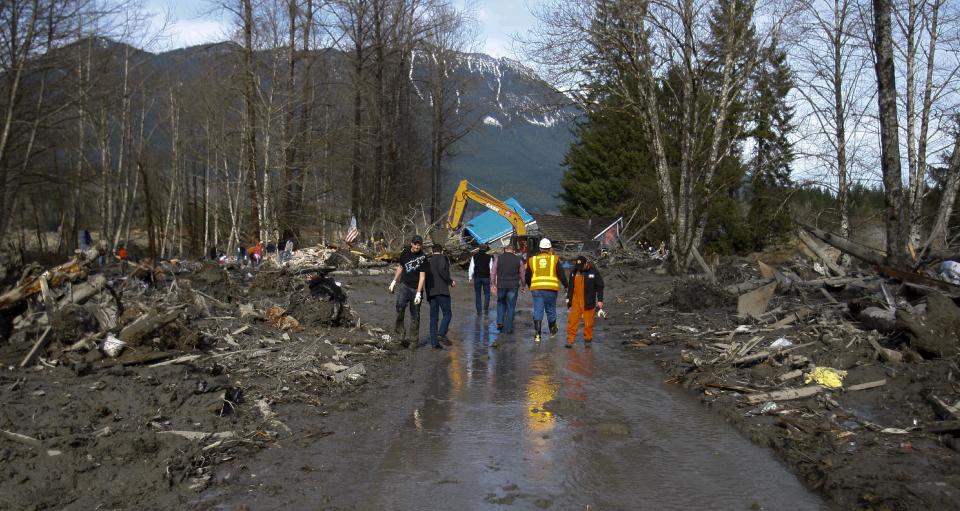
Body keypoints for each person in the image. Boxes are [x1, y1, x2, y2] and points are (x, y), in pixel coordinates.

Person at [524, 238, 567, 342]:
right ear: (549, 248)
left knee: (538, 310)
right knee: (550, 310)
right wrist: (566, 285)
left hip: (536, 290)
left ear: (540, 248)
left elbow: (527, 276)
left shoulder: (532, 260)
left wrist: (530, 286)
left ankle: (537, 335)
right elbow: (561, 274)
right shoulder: (554, 259)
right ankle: (552, 331)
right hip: (551, 289)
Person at [389, 234, 428, 348]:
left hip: (416, 288)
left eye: (419, 244)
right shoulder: (405, 253)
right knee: (399, 307)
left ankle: (413, 341)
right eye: (415, 244)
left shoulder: (423, 258)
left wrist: (419, 293)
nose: (417, 246)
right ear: (411, 243)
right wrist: (394, 281)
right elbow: (400, 267)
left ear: (421, 245)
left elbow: (422, 277)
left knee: (415, 315)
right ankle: (400, 333)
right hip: (404, 286)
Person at [565, 255, 604, 348]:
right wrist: (568, 299)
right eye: (578, 267)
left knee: (588, 323)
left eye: (581, 266)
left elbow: (600, 286)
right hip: (576, 301)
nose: (580, 268)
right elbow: (570, 287)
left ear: (586, 264)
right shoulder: (574, 272)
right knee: (572, 321)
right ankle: (570, 340)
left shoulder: (594, 272)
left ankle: (588, 339)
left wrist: (600, 300)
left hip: (588, 300)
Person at [425, 243, 456, 350]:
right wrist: (450, 281)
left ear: (432, 251)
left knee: (433, 318)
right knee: (447, 314)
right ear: (442, 251)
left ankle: (434, 344)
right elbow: (442, 270)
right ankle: (441, 333)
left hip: (431, 292)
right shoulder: (443, 258)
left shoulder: (428, 261)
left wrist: (427, 293)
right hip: (442, 291)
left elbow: (425, 277)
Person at [491, 243, 525, 333]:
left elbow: (493, 272)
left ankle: (500, 322)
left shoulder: (498, 258)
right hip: (513, 286)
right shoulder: (519, 260)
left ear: (505, 249)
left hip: (501, 285)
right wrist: (523, 285)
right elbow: (522, 274)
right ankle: (509, 328)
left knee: (501, 303)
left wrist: (493, 284)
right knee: (511, 306)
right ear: (513, 250)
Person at [469, 244, 493, 314]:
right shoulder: (489, 257)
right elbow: (491, 268)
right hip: (486, 277)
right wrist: (492, 278)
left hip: (477, 277)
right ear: (485, 249)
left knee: (478, 294)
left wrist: (470, 277)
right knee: (487, 293)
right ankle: (486, 307)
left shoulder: (474, 256)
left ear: (479, 248)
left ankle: (479, 310)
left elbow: (471, 267)